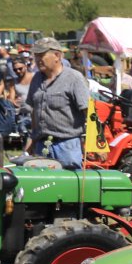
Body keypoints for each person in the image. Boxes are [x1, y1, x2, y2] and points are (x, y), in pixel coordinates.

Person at [26, 37, 91, 169]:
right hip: (41, 144)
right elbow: (34, 111)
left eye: (41, 55)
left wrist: (95, 144)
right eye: (36, 56)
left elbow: (90, 113)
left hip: (67, 146)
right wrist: (32, 140)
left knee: (69, 181)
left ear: (57, 55)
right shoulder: (36, 78)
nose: (37, 59)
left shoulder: (74, 78)